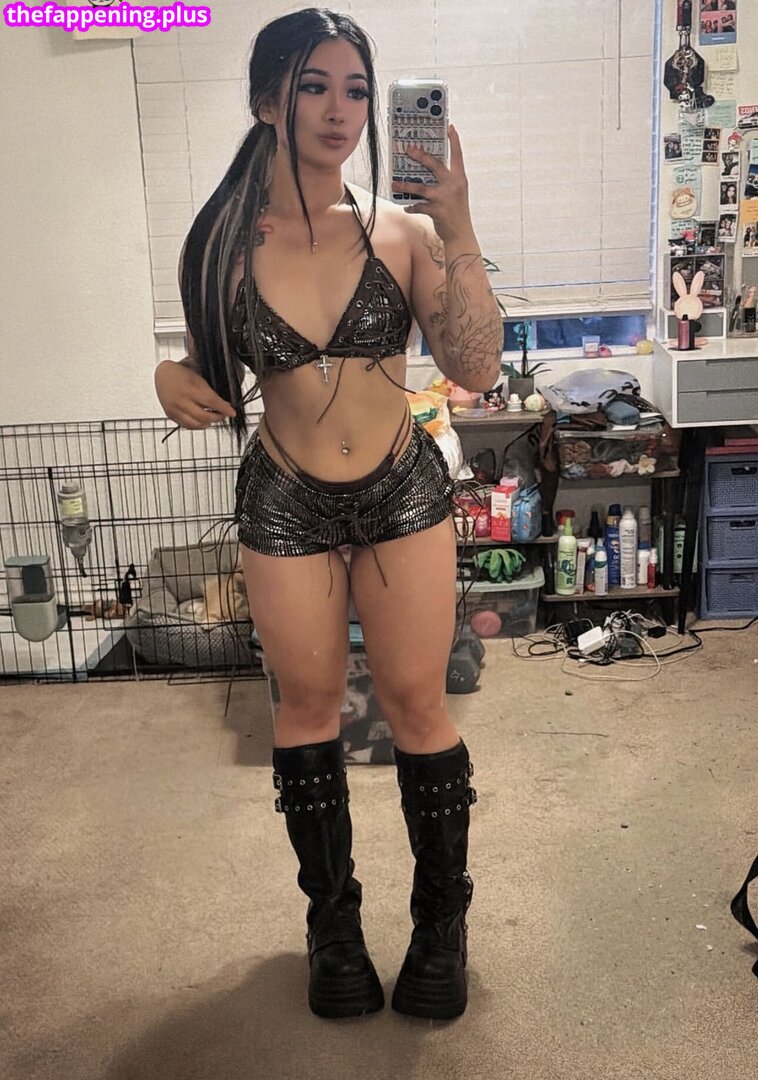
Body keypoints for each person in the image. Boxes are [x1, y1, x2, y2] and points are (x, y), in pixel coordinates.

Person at [154, 7, 501, 1021]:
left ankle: (439, 927)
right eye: (314, 86)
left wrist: (460, 225)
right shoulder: (222, 241)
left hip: (400, 489)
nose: (339, 109)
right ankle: (333, 930)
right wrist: (166, 376)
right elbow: (204, 365)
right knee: (304, 710)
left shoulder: (402, 233)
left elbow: (476, 366)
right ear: (268, 101)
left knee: (417, 704)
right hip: (285, 496)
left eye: (355, 89)